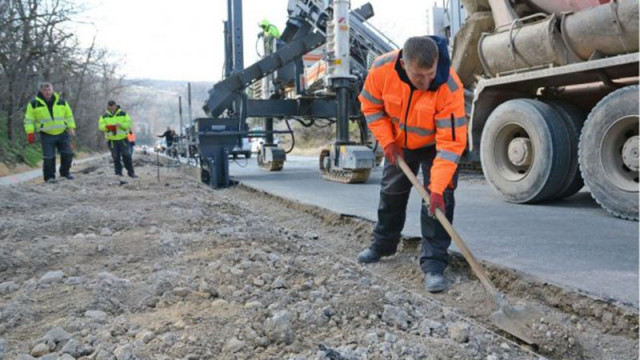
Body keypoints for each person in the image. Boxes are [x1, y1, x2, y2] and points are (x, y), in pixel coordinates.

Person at [356, 36, 467, 293]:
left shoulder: (449, 85)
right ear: (404, 64)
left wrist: (437, 189)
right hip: (399, 142)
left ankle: (434, 265)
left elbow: (450, 144)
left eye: (431, 74)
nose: (427, 82)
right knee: (391, 194)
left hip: (436, 146)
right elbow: (370, 107)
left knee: (438, 202)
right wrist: (387, 142)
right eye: (420, 76)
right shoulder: (382, 69)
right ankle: (383, 245)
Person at [24, 82, 76, 183]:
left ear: (52, 90)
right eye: (45, 90)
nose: (47, 92)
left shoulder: (62, 102)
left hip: (63, 133)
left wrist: (71, 127)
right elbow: (29, 120)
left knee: (68, 153)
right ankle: (49, 178)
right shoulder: (34, 104)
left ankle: (65, 173)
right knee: (48, 157)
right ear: (41, 91)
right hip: (46, 134)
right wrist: (30, 132)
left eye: (49, 90)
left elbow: (69, 116)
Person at [99, 100, 137, 178]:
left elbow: (129, 124)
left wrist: (121, 125)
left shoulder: (123, 114)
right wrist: (109, 127)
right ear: (108, 107)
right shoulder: (104, 116)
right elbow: (101, 126)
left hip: (123, 139)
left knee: (127, 156)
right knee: (115, 157)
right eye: (110, 106)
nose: (112, 107)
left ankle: (131, 172)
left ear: (116, 106)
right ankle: (118, 173)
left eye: (113, 105)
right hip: (112, 140)